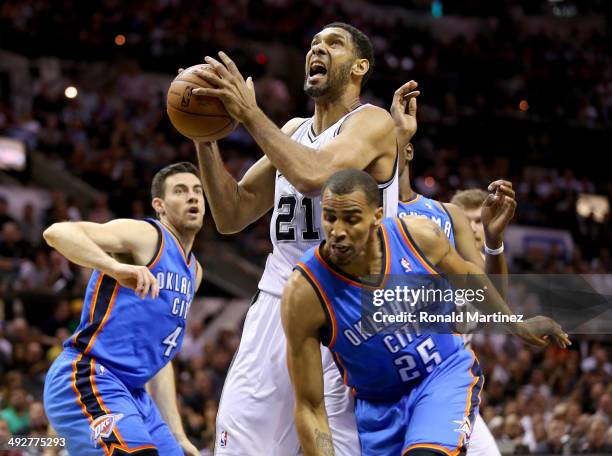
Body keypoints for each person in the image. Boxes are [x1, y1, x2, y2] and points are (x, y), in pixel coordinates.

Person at [191, 22, 411, 455]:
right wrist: (205, 136)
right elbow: (231, 213)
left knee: (333, 447)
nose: (319, 48)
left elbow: (315, 175)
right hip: (278, 299)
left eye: (334, 43)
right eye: (314, 43)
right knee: (239, 443)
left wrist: (250, 114)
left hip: (349, 308)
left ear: (359, 67)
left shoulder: (372, 122)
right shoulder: (291, 131)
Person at [282, 169, 570, 456]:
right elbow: (309, 407)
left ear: (377, 216)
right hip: (379, 409)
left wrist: (516, 324)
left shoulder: (417, 236)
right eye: (330, 217)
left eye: (352, 219)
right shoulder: (305, 292)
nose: (338, 231)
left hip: (441, 376)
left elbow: (470, 277)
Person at [42, 162, 204, 456]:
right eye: (180, 191)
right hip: (89, 375)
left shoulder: (195, 272)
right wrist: (114, 268)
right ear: (160, 205)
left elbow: (159, 356)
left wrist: (177, 434)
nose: (192, 197)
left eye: (197, 191)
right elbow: (57, 232)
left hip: (135, 396)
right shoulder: (146, 235)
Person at [392, 87, 514, 455]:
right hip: (388, 377)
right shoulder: (368, 213)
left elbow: (493, 300)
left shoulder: (447, 220)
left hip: (440, 380)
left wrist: (494, 243)